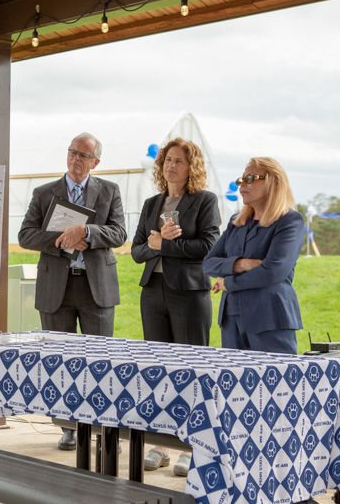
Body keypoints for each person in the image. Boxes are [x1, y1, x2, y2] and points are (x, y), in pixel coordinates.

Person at [18, 132, 127, 450]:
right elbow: (26, 235)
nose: (76, 159)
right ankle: (68, 427)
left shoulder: (109, 191)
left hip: (97, 289)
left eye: (83, 155)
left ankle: (105, 430)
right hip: (57, 289)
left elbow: (119, 232)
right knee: (61, 363)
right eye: (72, 153)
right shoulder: (43, 193)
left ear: (96, 162)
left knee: (99, 362)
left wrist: (88, 232)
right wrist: (62, 239)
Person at [130, 138, 221, 475]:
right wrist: (156, 244)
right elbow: (138, 250)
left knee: (192, 373)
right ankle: (160, 444)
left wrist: (165, 244)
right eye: (168, 160)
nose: (171, 165)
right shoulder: (152, 203)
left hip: (189, 294)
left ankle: (193, 448)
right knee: (160, 373)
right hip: (152, 292)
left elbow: (209, 245)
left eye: (179, 161)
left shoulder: (205, 201)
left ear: (191, 167)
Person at [203, 157, 305, 355]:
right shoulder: (236, 221)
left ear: (274, 181)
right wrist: (242, 264)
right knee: (234, 383)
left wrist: (228, 283)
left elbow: (273, 272)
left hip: (270, 319)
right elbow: (209, 263)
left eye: (251, 178)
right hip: (231, 319)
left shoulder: (290, 221)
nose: (242, 186)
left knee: (275, 383)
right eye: (241, 180)